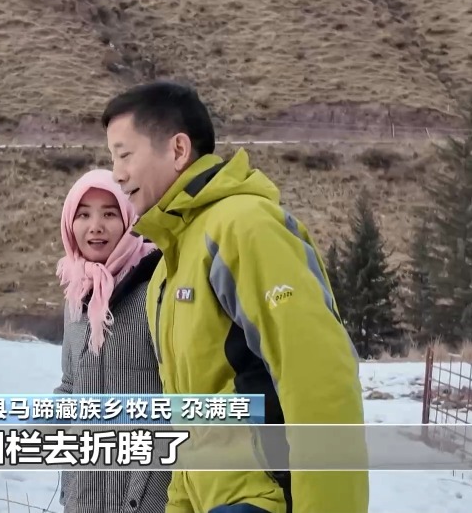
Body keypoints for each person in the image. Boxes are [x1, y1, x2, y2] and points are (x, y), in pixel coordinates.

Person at [100, 81, 369, 513]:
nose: (116, 173)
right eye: (113, 159)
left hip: (260, 499)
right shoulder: (169, 266)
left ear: (178, 149)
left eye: (125, 154)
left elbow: (320, 378)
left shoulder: (245, 227)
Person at [53, 169, 171, 513]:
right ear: (69, 224)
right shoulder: (76, 295)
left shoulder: (156, 288)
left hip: (146, 490)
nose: (95, 227)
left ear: (128, 219)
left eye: (109, 214)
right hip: (84, 491)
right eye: (83, 215)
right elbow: (70, 386)